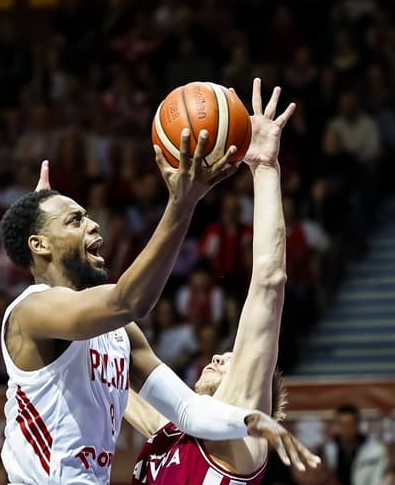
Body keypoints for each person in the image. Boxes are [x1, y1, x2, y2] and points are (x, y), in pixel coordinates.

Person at [0, 80, 318, 483]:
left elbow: (186, 407)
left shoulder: (122, 341)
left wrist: (250, 419)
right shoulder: (31, 313)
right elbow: (124, 301)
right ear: (40, 243)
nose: (94, 222)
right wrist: (181, 204)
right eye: (76, 219)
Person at [126, 79, 319, 483]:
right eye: (225, 355)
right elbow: (109, 361)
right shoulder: (171, 430)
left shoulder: (239, 425)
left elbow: (269, 281)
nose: (217, 356)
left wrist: (265, 168)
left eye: (231, 360)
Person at [322, 404, 389, 485]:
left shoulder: (375, 452)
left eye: (350, 425)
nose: (346, 430)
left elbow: (378, 479)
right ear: (336, 425)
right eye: (342, 425)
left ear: (358, 424)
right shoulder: (328, 450)